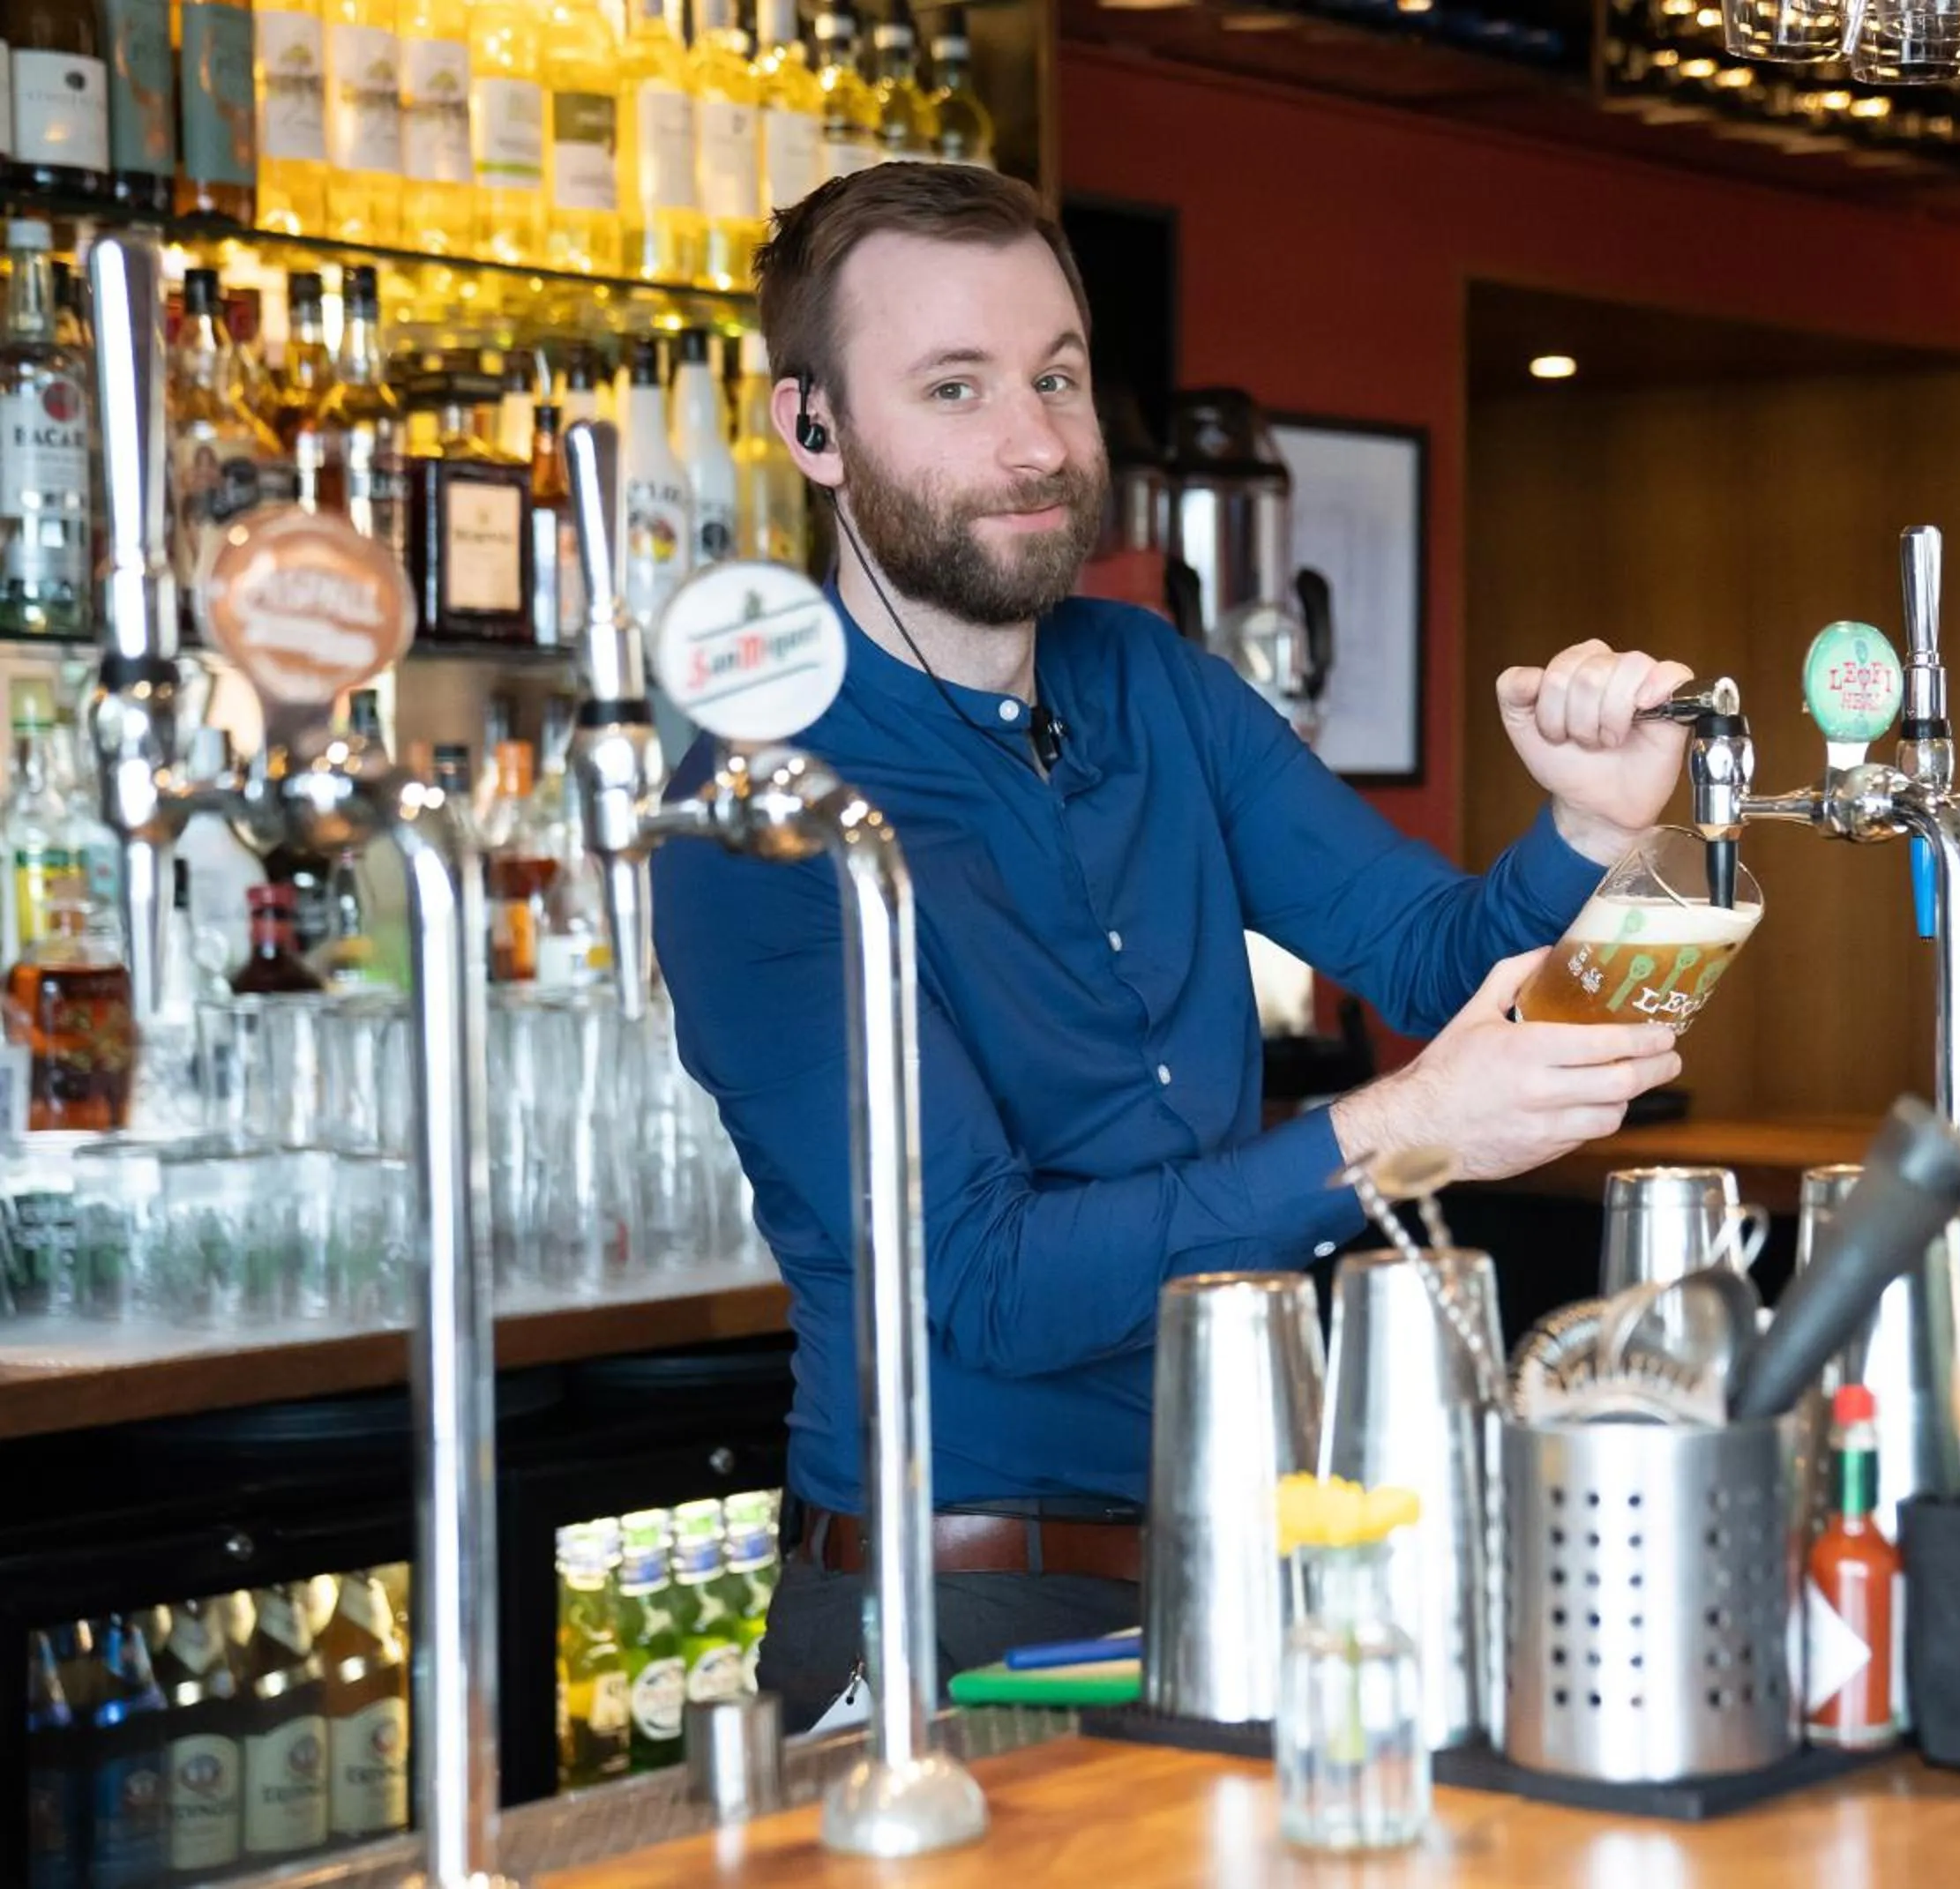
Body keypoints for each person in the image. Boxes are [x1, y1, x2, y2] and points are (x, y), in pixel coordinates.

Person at [652, 163, 1700, 1728]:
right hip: (952, 1620)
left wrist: (1595, 829)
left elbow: (1427, 953)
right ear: (814, 430)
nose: (1033, 443)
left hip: (1240, 1556)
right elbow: (984, 1281)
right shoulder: (763, 811)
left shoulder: (1153, 679)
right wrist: (1401, 1129)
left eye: (1057, 378)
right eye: (955, 387)